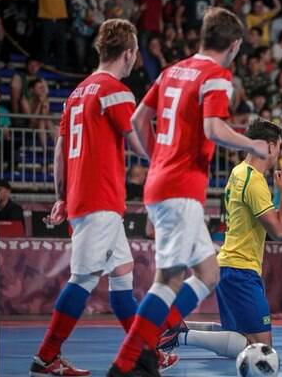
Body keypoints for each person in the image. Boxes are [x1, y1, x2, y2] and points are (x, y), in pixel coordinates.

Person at [107, 8, 269, 377]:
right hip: (180, 187)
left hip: (165, 182)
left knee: (208, 274)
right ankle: (129, 360)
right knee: (169, 280)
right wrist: (254, 145)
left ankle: (154, 341)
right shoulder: (216, 75)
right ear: (235, 45)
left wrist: (158, 159)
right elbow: (214, 129)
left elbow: (137, 122)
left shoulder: (171, 71)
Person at [28, 19, 177, 377]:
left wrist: (61, 195)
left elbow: (61, 148)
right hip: (100, 200)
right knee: (82, 279)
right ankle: (46, 356)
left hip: (89, 198)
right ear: (128, 53)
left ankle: (147, 353)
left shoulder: (77, 93)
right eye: (136, 52)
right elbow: (136, 139)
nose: (136, 58)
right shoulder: (115, 90)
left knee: (123, 276)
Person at [157, 119, 282, 356]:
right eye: (278, 146)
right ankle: (180, 335)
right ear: (268, 146)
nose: (278, 153)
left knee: (241, 339)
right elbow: (279, 232)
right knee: (261, 348)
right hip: (241, 269)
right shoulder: (254, 180)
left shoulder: (238, 171)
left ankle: (173, 327)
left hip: (233, 266)